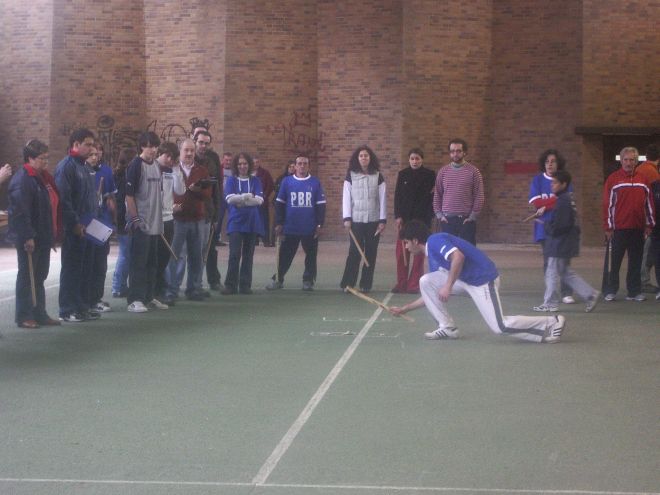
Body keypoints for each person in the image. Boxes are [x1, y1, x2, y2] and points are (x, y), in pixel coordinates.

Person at [390, 220, 566, 343]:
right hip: (465, 281)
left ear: (415, 240)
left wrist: (448, 286)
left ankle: (552, 322)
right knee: (426, 281)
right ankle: (448, 327)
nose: (406, 247)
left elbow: (458, 257)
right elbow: (432, 293)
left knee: (500, 327)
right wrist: (405, 308)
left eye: (406, 242)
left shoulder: (435, 241)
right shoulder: (432, 256)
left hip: (483, 280)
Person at [7, 139, 61, 328]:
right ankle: (24, 315)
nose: (46, 161)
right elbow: (20, 212)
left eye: (47, 158)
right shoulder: (23, 180)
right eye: (42, 158)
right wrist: (28, 236)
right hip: (30, 237)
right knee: (27, 276)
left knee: (39, 276)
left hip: (43, 235)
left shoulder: (42, 178)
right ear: (30, 158)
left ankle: (39, 313)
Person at [532, 170, 599, 312]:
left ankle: (550, 303)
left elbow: (559, 226)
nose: (552, 185)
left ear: (564, 184)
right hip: (566, 242)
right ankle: (590, 294)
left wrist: (545, 224)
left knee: (551, 271)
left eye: (555, 183)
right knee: (564, 272)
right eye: (552, 182)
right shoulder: (567, 199)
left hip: (559, 243)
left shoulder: (562, 201)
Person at [54, 128, 99, 322]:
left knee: (85, 268)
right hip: (74, 228)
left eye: (92, 144)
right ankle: (67, 309)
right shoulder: (66, 167)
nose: (91, 148)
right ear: (76, 144)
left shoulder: (85, 167)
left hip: (89, 226)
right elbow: (64, 200)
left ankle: (81, 306)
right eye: (87, 144)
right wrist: (74, 223)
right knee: (71, 268)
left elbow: (90, 199)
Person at [602, 146, 655, 302]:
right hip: (618, 229)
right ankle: (611, 290)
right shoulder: (613, 179)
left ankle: (634, 292)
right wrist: (608, 227)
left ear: (636, 161)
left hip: (638, 229)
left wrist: (649, 224)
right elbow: (607, 205)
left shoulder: (643, 180)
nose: (628, 163)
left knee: (636, 262)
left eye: (632, 160)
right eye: (626, 160)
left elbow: (649, 203)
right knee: (615, 262)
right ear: (621, 161)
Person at [266, 154, 326, 291]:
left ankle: (308, 280)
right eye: (299, 163)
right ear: (295, 166)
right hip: (290, 227)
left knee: (311, 255)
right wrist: (279, 223)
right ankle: (278, 279)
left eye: (305, 163)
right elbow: (279, 204)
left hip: (309, 227)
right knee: (285, 255)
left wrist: (319, 224)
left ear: (309, 166)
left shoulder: (315, 182)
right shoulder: (287, 182)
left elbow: (321, 205)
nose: (302, 166)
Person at [125, 132, 170, 313]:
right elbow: (129, 196)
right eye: (149, 146)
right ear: (142, 146)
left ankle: (149, 296)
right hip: (142, 224)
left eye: (155, 146)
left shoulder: (157, 166)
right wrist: (135, 219)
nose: (153, 150)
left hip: (155, 224)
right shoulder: (136, 165)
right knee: (139, 263)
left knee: (152, 263)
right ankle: (135, 299)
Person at [166, 138, 212, 301]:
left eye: (192, 150)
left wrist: (196, 190)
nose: (189, 153)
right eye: (186, 150)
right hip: (177, 219)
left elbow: (208, 194)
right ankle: (171, 291)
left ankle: (193, 289)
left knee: (196, 256)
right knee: (174, 256)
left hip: (197, 219)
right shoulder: (172, 169)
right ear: (180, 151)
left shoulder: (202, 170)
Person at [528, 149, 575, 304]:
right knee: (548, 262)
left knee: (564, 261)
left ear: (558, 163)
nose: (550, 164)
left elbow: (566, 200)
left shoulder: (565, 180)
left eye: (553, 161)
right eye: (547, 161)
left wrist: (547, 205)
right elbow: (536, 202)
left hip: (562, 226)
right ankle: (551, 292)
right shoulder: (537, 180)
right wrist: (554, 201)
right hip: (545, 228)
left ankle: (567, 293)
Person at [340, 145, 386, 293]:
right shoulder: (350, 176)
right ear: (357, 158)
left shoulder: (378, 176)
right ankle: (348, 283)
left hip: (373, 221)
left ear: (370, 158)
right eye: (361, 156)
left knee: (371, 253)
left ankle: (366, 284)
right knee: (354, 252)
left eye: (366, 155)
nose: (364, 158)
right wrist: (347, 218)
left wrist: (382, 220)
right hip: (356, 222)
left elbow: (382, 199)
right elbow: (346, 197)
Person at [392, 148, 436, 293]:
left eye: (417, 158)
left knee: (419, 255)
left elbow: (433, 197)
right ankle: (401, 283)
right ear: (409, 160)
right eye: (412, 159)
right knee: (401, 254)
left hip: (422, 221)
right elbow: (397, 196)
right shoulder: (402, 174)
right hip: (405, 220)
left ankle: (414, 284)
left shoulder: (430, 175)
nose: (415, 161)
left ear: (422, 160)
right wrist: (398, 216)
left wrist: (430, 216)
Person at [223, 152, 264, 295]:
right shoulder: (231, 180)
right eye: (239, 164)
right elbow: (229, 199)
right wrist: (247, 196)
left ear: (249, 165)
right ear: (236, 165)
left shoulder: (256, 181)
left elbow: (259, 200)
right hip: (235, 222)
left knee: (248, 255)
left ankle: (245, 285)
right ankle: (230, 285)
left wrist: (240, 201)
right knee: (234, 254)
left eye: (245, 163)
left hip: (252, 222)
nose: (242, 166)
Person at [433, 138, 484, 245]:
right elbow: (437, 194)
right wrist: (440, 215)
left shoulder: (474, 172)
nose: (455, 154)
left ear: (464, 152)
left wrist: (472, 216)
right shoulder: (443, 172)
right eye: (452, 151)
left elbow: (479, 195)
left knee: (468, 252)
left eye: (458, 151)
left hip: (466, 220)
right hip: (447, 220)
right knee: (449, 252)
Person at [87, 141, 117, 314]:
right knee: (87, 264)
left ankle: (96, 298)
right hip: (87, 223)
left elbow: (110, 197)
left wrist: (112, 208)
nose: (96, 155)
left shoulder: (106, 171)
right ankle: (86, 299)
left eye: (98, 152)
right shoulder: (82, 171)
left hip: (102, 223)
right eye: (92, 153)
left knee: (100, 264)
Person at [193, 129, 223, 291]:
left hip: (208, 210)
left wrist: (216, 213)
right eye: (200, 142)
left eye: (206, 143)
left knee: (210, 248)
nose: (203, 146)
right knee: (182, 251)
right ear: (194, 141)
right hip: (188, 210)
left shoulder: (213, 159)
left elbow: (217, 187)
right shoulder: (188, 156)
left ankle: (214, 280)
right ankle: (175, 285)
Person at [155, 141, 183, 305]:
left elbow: (180, 190)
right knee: (154, 258)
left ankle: (160, 291)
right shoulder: (152, 168)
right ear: (160, 153)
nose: (170, 161)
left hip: (168, 219)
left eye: (173, 158)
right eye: (168, 157)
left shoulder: (172, 170)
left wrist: (177, 169)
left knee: (164, 257)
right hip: (154, 220)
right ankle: (153, 291)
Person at [635, 143, 660, 293]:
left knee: (644, 249)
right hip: (650, 219)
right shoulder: (654, 174)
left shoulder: (639, 169)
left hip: (638, 216)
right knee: (649, 250)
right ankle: (643, 280)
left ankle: (641, 279)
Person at [111, 147, 135, 298]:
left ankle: (120, 285)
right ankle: (118, 286)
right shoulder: (125, 178)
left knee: (126, 254)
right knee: (125, 254)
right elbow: (123, 201)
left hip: (122, 218)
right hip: (124, 219)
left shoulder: (118, 175)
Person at [254, 156, 274, 246]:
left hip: (262, 201)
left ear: (259, 163)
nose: (255, 164)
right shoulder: (248, 173)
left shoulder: (265, 173)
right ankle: (254, 240)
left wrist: (265, 195)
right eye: (254, 162)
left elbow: (270, 185)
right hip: (251, 201)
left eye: (257, 162)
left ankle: (266, 240)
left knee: (264, 221)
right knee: (253, 220)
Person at [217, 151, 233, 246]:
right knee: (219, 218)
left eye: (230, 160)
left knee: (232, 218)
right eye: (226, 160)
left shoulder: (234, 171)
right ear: (223, 160)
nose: (228, 162)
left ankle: (233, 238)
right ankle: (216, 239)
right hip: (221, 198)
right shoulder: (218, 169)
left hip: (231, 198)